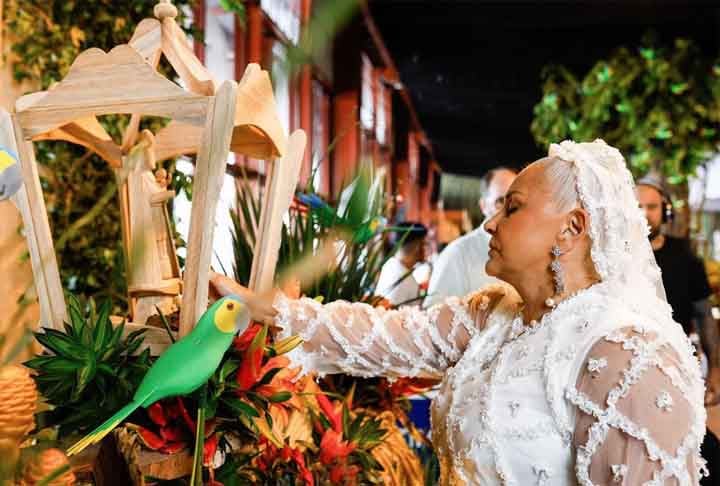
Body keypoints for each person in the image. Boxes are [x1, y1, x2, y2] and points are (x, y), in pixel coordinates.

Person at [212, 140, 706, 485]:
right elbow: (382, 336)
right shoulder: (494, 315)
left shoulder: (628, 355)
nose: (489, 222)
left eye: (511, 208)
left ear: (572, 228)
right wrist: (260, 308)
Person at [424, 167, 516, 307]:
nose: (509, 209)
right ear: (483, 206)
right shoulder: (457, 254)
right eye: (500, 201)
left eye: (515, 202)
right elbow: (433, 315)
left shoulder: (531, 250)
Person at [375, 222, 428, 307]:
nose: (427, 249)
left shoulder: (391, 265)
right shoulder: (400, 277)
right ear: (418, 246)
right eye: (425, 244)